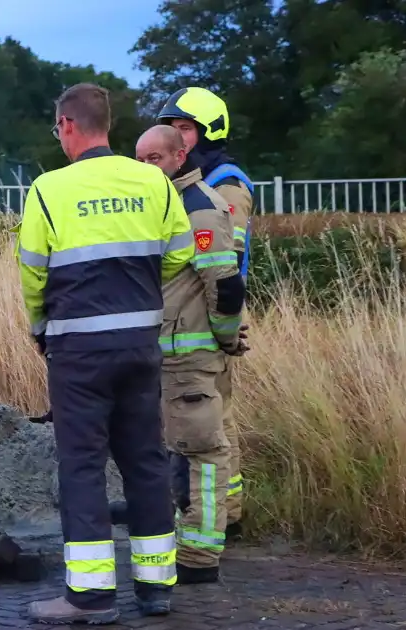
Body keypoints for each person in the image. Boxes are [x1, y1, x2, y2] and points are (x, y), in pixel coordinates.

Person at [17, 83, 191, 625]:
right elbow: (179, 253)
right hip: (141, 343)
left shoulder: (48, 190)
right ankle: (155, 588)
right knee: (144, 460)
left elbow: (32, 272)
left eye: (57, 129)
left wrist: (41, 325)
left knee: (83, 466)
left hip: (77, 349)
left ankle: (89, 597)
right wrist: (137, 298)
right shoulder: (153, 183)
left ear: (68, 124)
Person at [135, 125, 248, 584]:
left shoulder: (200, 206)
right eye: (139, 159)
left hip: (191, 356)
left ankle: (199, 556)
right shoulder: (163, 203)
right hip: (164, 352)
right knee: (178, 448)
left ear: (181, 156)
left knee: (204, 451)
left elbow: (223, 284)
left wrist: (225, 338)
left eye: (155, 159)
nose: (146, 168)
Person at [157, 87, 253, 538]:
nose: (177, 136)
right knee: (216, 420)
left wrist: (226, 325)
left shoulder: (224, 185)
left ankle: (223, 517)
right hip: (196, 316)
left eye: (185, 128)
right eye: (171, 127)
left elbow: (222, 265)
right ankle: (225, 514)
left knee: (215, 425)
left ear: (210, 131)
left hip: (212, 315)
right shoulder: (195, 180)